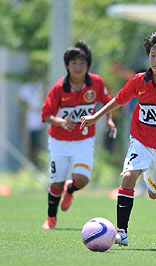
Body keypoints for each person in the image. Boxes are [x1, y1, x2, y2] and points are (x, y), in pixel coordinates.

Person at [80, 32, 156, 247]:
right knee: (128, 177)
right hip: (140, 140)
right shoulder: (139, 81)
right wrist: (95, 116)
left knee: (154, 193)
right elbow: (118, 100)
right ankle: (122, 232)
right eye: (152, 55)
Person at [41, 41, 116, 230]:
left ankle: (71, 189)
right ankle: (51, 218)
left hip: (83, 140)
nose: (78, 67)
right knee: (56, 181)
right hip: (59, 141)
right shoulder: (59, 88)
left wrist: (109, 120)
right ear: (67, 65)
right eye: (74, 63)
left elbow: (109, 102)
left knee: (82, 180)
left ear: (88, 65)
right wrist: (62, 122)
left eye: (82, 63)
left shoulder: (96, 83)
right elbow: (46, 115)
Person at [18, 80, 44, 166]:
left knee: (39, 144)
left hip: (41, 122)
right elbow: (23, 106)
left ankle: (39, 163)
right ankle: (30, 164)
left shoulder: (41, 85)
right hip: (30, 123)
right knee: (30, 145)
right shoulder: (26, 88)